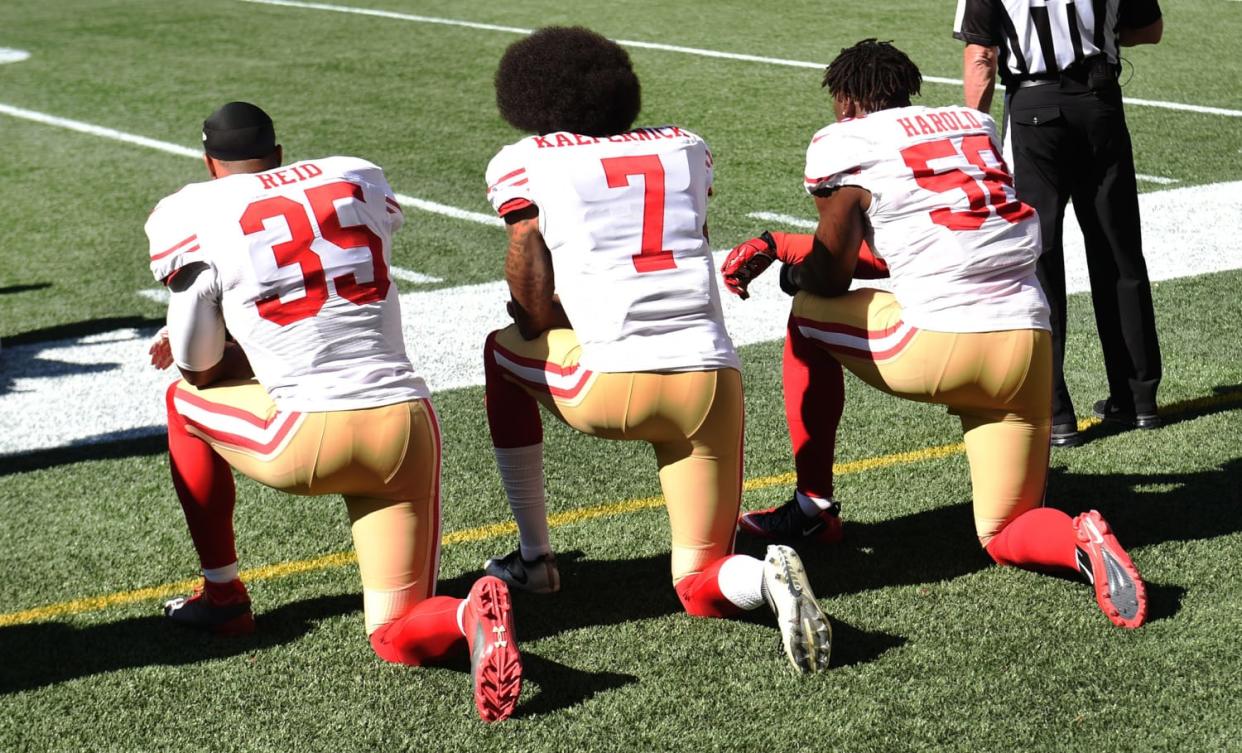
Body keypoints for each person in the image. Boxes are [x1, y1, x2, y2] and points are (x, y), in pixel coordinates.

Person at [722, 40, 1147, 628]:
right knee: (1005, 530)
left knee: (806, 316)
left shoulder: (846, 140)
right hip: (1028, 340)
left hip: (941, 342)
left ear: (846, 101)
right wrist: (786, 246)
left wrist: (791, 265)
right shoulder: (973, 125)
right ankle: (1079, 539)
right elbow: (920, 247)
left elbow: (833, 271)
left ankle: (813, 506)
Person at [144, 101, 522, 722]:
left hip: (306, 437)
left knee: (183, 402)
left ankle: (223, 595)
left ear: (209, 161)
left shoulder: (192, 209)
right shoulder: (355, 175)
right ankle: (464, 612)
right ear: (280, 151)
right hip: (406, 425)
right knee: (394, 631)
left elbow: (197, 366)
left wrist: (214, 337)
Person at [480, 26, 832, 673]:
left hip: (613, 382)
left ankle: (535, 558)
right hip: (710, 381)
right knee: (700, 579)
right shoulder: (686, 146)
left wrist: (546, 312)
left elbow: (532, 308)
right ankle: (763, 579)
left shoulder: (526, 160)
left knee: (499, 352)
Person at [954, 0, 1165, 447]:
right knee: (1118, 250)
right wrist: (1095, 37)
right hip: (1100, 103)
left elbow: (982, 56)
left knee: (1040, 256)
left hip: (1035, 110)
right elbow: (1150, 30)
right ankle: (1137, 399)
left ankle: (1053, 412)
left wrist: (974, 135)